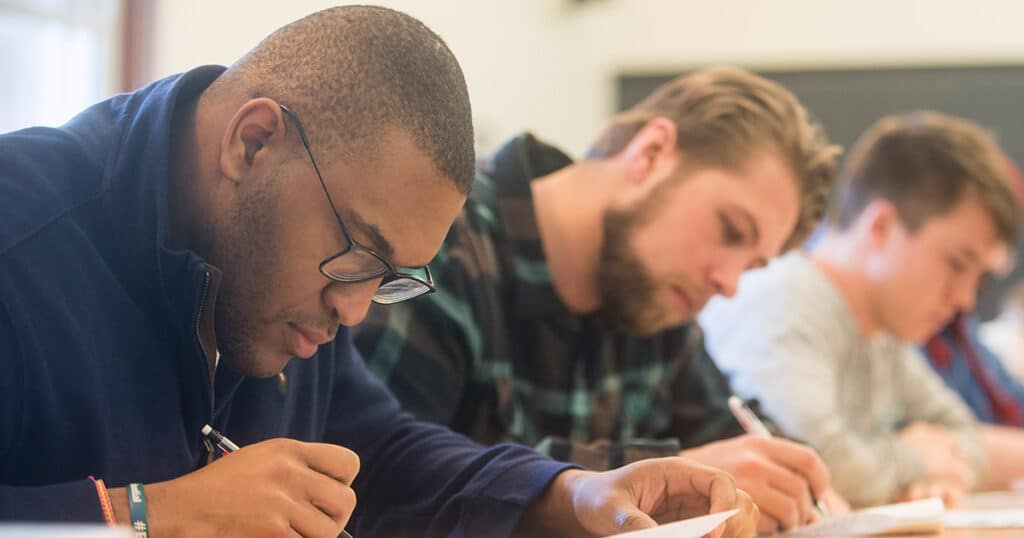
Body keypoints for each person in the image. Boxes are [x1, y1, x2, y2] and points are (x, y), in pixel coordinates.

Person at [0, 7, 758, 537]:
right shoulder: (22, 239)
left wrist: (572, 494)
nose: (356, 309)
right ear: (253, 143)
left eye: (389, 276)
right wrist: (142, 518)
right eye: (359, 254)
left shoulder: (302, 284)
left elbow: (382, 454)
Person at [355, 66, 843, 533]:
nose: (729, 283)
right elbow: (384, 477)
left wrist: (785, 476)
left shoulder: (656, 302)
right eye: (731, 230)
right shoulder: (441, 241)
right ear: (651, 153)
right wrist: (649, 475)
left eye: (753, 265)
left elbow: (736, 438)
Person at [699, 111, 1024, 508]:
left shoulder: (885, 328)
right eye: (957, 263)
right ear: (881, 226)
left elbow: (964, 435)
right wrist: (917, 461)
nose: (965, 300)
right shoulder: (782, 302)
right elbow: (814, 465)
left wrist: (933, 472)